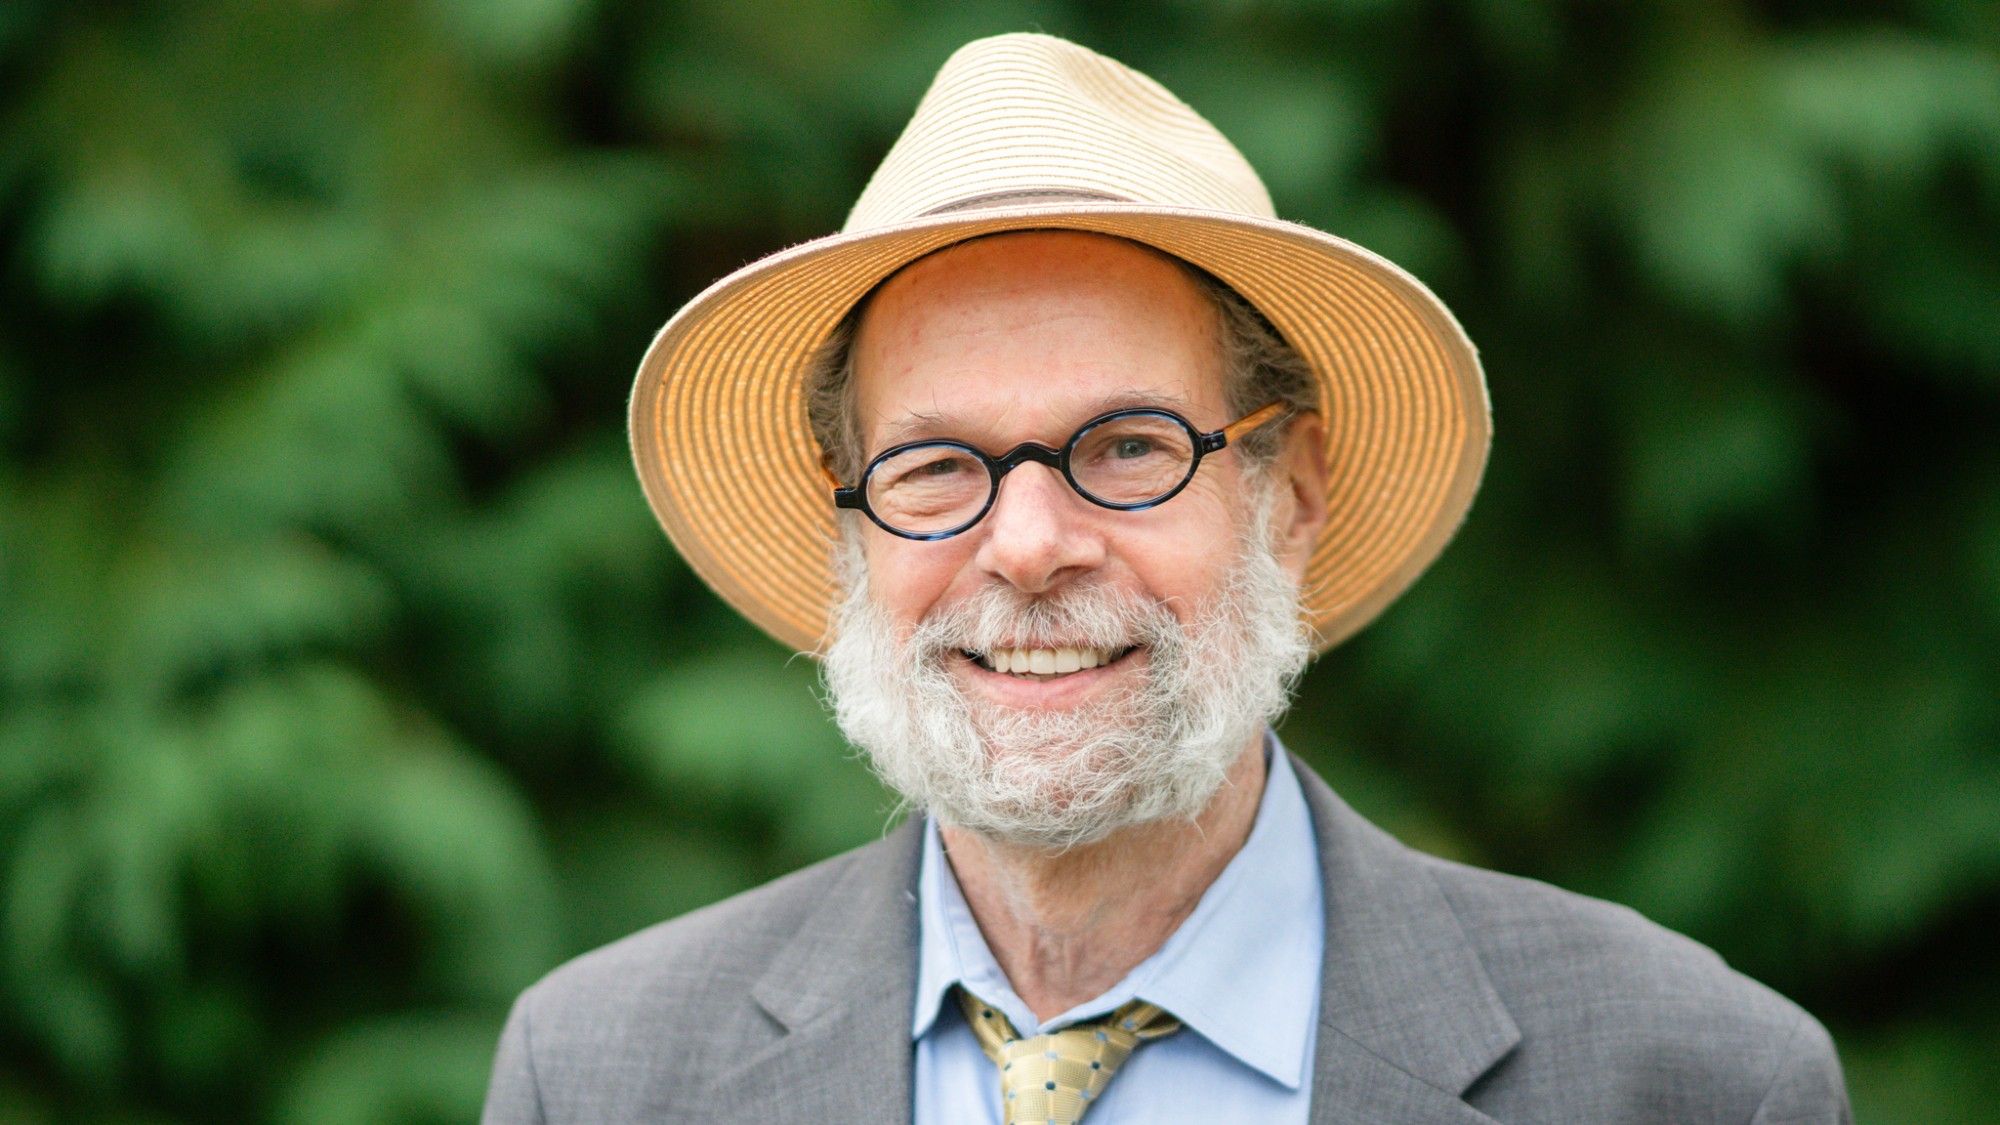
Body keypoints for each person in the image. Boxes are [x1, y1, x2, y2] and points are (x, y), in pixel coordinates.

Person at [482, 33, 1850, 1124]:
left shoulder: (1695, 1082)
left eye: (1127, 446)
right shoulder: (598, 1076)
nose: (1024, 545)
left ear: (1290, 493)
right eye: (936, 465)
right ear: (853, 528)